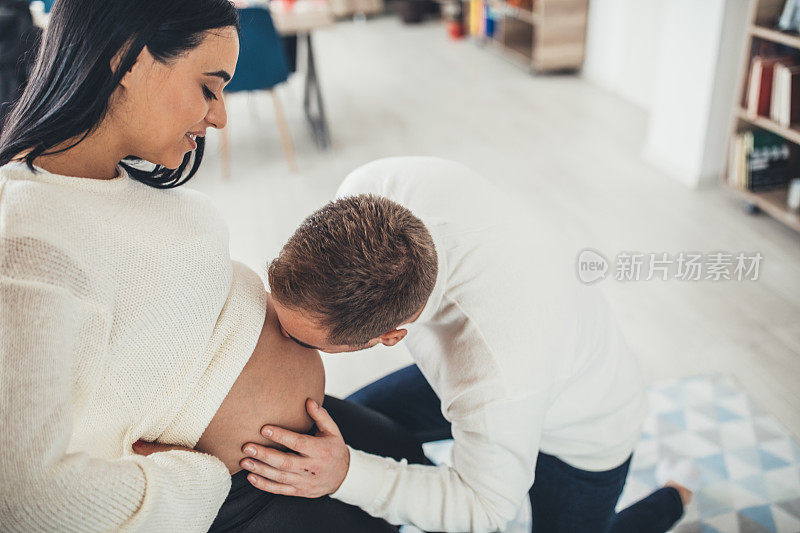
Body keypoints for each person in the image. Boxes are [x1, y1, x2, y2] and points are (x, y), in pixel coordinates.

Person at [0, 2, 421, 531]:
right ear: (127, 60)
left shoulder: (111, 181)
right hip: (239, 494)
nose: (220, 115)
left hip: (292, 441)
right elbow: (23, 498)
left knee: (415, 460)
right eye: (209, 87)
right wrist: (197, 480)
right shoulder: (29, 245)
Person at [240, 156, 695, 532]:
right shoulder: (371, 187)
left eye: (302, 341)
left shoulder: (494, 370)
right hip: (524, 355)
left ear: (391, 336)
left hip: (586, 423)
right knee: (349, 428)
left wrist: (346, 475)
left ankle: (670, 502)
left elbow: (487, 508)